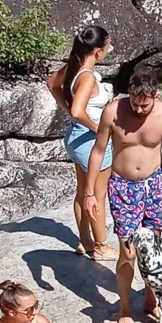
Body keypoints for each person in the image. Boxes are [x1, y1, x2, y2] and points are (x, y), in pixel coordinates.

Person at [83, 72, 162, 323]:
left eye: (145, 103)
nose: (139, 108)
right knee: (128, 252)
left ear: (156, 96)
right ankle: (125, 307)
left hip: (155, 186)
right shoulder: (112, 112)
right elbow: (98, 151)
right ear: (128, 92)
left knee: (151, 249)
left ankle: (150, 300)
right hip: (122, 187)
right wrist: (89, 192)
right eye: (134, 102)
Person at [45, 25, 117, 261]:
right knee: (97, 194)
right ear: (97, 51)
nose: (109, 50)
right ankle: (101, 246)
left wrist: (68, 109)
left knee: (81, 191)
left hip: (75, 139)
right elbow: (78, 111)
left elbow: (51, 83)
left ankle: (84, 240)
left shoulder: (73, 68)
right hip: (92, 142)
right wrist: (99, 129)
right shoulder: (86, 77)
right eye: (107, 47)